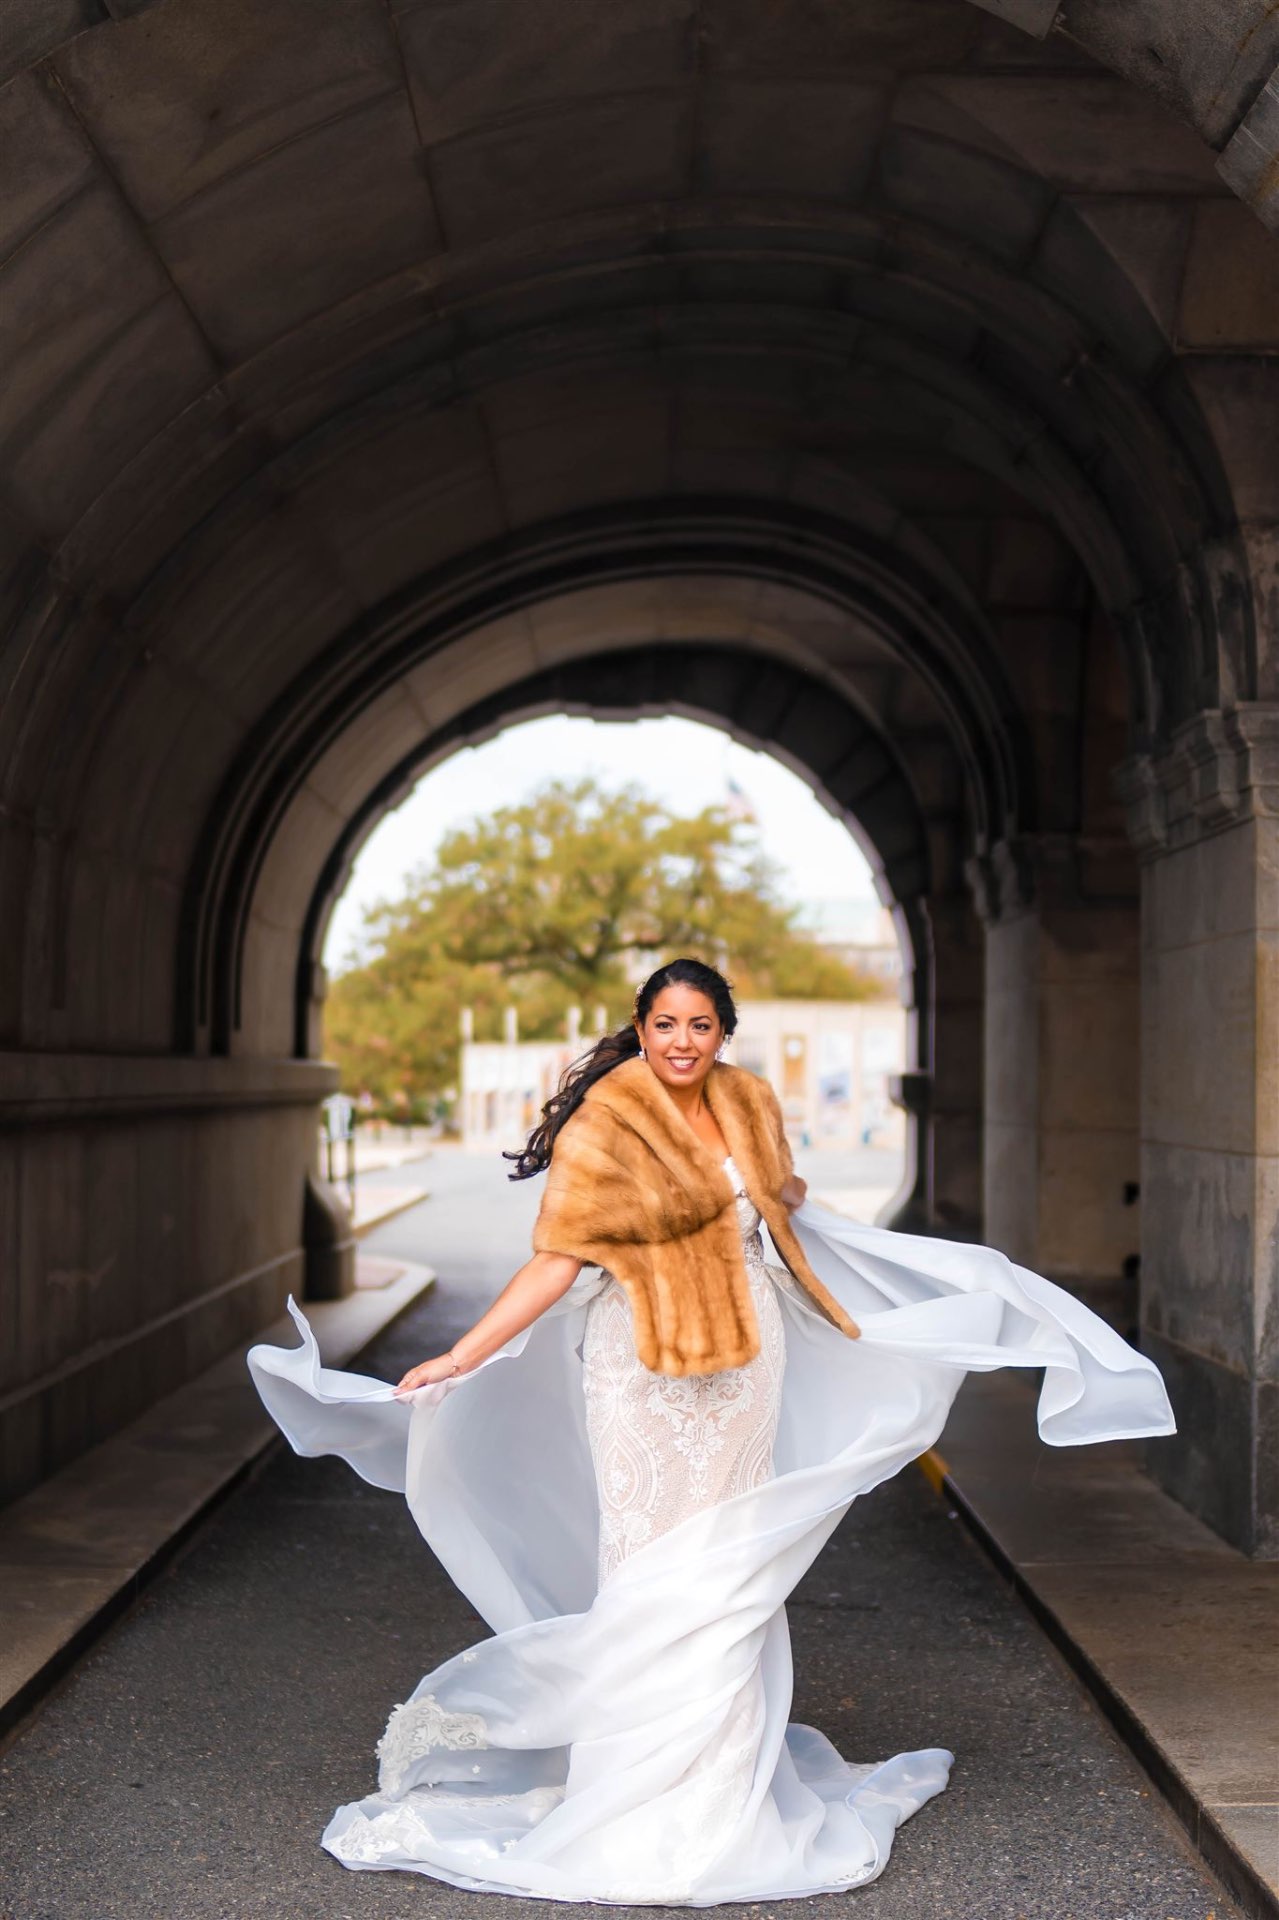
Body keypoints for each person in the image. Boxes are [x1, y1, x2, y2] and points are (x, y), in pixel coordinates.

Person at [248, 956, 1175, 1902]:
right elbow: (556, 1261)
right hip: (637, 1372)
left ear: (721, 1031)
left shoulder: (750, 1104)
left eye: (699, 1024)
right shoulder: (608, 1120)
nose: (681, 1041)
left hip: (745, 1370)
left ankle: (726, 1798)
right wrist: (462, 1353)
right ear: (640, 1028)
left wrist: (883, 1299)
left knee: (732, 1574)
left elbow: (784, 1214)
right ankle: (631, 1796)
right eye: (664, 1024)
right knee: (648, 1567)